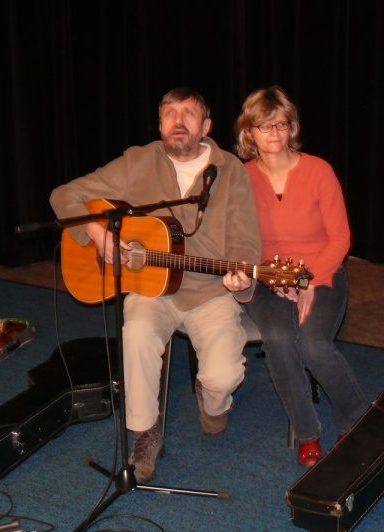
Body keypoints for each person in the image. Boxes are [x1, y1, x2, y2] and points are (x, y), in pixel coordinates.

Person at [50, 87, 262, 482]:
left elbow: (248, 245)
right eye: (168, 113)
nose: (177, 121)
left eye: (188, 113)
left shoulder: (230, 171)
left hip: (210, 293)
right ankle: (146, 433)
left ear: (206, 126)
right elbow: (64, 195)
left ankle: (212, 401)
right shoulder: (139, 161)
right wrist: (99, 236)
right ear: (160, 123)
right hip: (151, 289)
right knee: (138, 334)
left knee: (222, 377)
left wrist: (240, 278)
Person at [234, 86, 367, 467]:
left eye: (281, 124)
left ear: (291, 129)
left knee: (313, 345)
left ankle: (355, 419)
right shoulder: (241, 178)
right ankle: (307, 434)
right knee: (277, 338)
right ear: (250, 133)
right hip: (267, 280)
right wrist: (273, 278)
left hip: (321, 271)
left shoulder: (318, 170)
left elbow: (341, 237)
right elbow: (239, 238)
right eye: (263, 125)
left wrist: (308, 282)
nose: (273, 133)